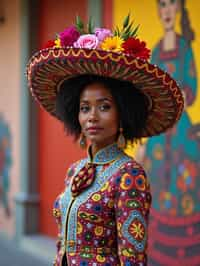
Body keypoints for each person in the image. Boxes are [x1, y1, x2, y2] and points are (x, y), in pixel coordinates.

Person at [27, 15, 184, 266]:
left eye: (104, 106)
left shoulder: (129, 174)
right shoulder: (74, 171)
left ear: (123, 113)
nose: (92, 117)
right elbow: (62, 244)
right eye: (85, 108)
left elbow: (133, 258)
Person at [137, 1, 200, 265]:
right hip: (160, 134)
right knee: (158, 185)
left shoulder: (185, 48)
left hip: (181, 133)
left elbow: (192, 89)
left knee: (185, 185)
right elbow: (149, 92)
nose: (165, 10)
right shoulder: (158, 50)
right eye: (161, 4)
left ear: (177, 10)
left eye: (170, 4)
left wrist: (175, 99)